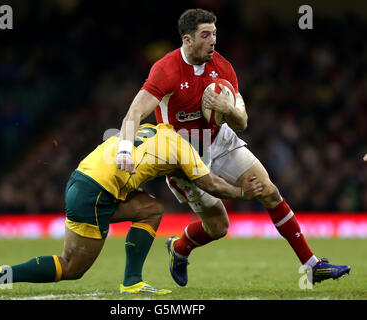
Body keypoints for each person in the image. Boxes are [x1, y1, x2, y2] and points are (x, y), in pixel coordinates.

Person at [116, 8, 350, 286]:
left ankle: (312, 265)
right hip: (184, 156)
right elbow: (133, 114)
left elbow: (242, 122)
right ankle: (179, 248)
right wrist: (124, 150)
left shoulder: (223, 67)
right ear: (188, 40)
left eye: (214, 33)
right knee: (219, 227)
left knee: (270, 191)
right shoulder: (166, 69)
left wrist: (229, 108)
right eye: (206, 35)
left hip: (220, 140)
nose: (213, 40)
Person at [0, 123, 264, 294]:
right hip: (96, 194)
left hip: (82, 180)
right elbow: (211, 183)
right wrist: (242, 191)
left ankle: (132, 281)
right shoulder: (185, 148)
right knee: (71, 268)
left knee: (150, 208)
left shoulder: (154, 128)